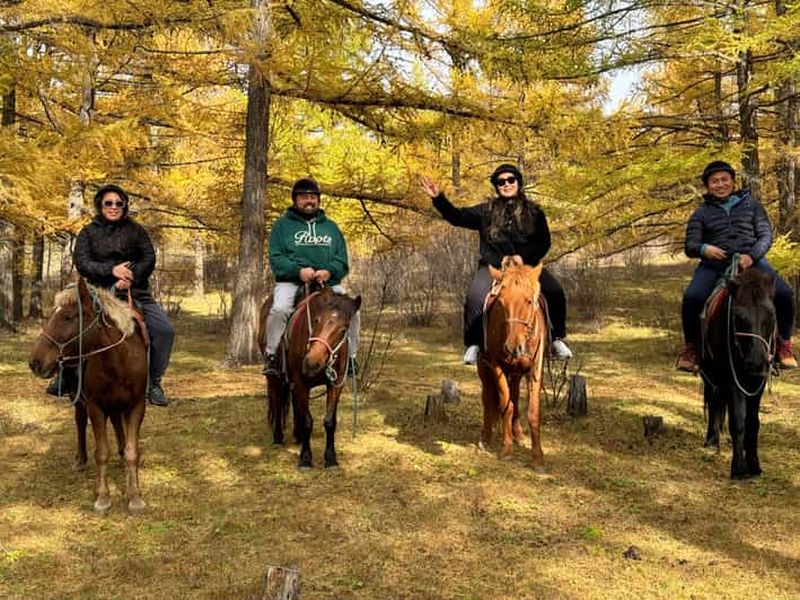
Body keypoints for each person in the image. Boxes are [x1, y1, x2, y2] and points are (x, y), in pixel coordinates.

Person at [421, 164, 572, 365]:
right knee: (475, 296)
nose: (506, 184)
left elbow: (544, 242)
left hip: (526, 269)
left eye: (511, 180)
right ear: (496, 186)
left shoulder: (535, 213)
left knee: (555, 291)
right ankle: (474, 344)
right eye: (501, 182)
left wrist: (523, 257)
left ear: (518, 182)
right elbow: (457, 217)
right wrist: (438, 198)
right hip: (493, 269)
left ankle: (556, 340)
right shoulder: (486, 212)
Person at [46, 184, 175, 406]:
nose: (114, 207)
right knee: (68, 322)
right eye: (109, 203)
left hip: (135, 292)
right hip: (97, 292)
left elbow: (148, 257)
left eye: (118, 203)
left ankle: (153, 382)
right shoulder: (88, 232)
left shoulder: (136, 231)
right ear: (100, 205)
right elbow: (82, 261)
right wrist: (111, 271)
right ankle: (65, 376)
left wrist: (130, 276)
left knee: (165, 331)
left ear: (124, 206)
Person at [677, 160, 797, 372]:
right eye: (714, 181)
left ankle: (784, 346)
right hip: (714, 265)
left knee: (785, 294)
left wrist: (751, 256)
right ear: (707, 186)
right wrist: (705, 249)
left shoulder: (752, 205)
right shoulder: (701, 213)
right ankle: (692, 350)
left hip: (753, 263)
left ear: (733, 182)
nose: (720, 184)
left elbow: (765, 235)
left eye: (724, 180)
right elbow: (690, 245)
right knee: (692, 298)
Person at [263, 177, 360, 375]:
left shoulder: (331, 228)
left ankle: (350, 358)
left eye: (313, 197)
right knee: (280, 310)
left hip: (327, 284)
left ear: (318, 200)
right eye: (304, 197)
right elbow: (276, 258)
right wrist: (298, 271)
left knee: (354, 312)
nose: (309, 201)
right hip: (291, 281)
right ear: (295, 200)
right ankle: (272, 356)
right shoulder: (282, 226)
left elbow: (342, 260)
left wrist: (329, 271)